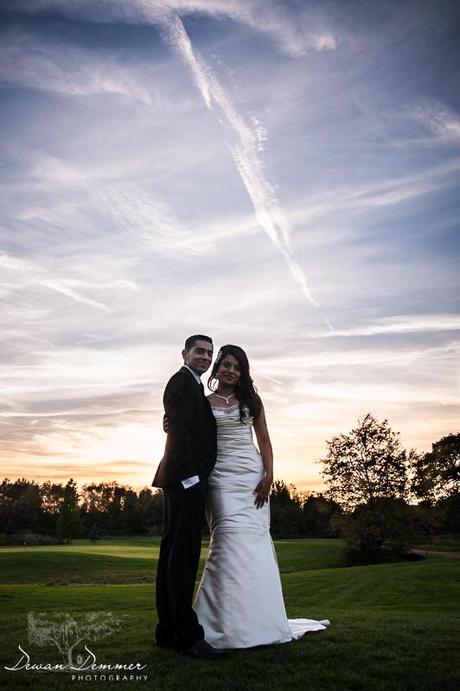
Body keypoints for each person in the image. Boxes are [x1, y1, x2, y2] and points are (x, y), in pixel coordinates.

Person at [193, 344, 330, 648]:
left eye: (237, 367)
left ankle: (258, 621)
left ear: (243, 372)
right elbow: (186, 428)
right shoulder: (203, 402)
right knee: (227, 541)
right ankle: (213, 624)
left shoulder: (252, 401)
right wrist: (168, 425)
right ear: (217, 368)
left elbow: (265, 440)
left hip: (251, 476)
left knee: (254, 544)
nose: (230, 370)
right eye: (226, 364)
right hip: (220, 479)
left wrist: (269, 476)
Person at [152, 335, 227, 659]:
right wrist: (191, 479)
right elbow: (180, 434)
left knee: (172, 555)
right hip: (186, 481)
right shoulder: (182, 382)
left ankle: (167, 631)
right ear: (184, 353)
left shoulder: (191, 385)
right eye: (200, 350)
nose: (205, 356)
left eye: (209, 352)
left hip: (182, 479)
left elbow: (180, 425)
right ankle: (187, 636)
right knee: (181, 558)